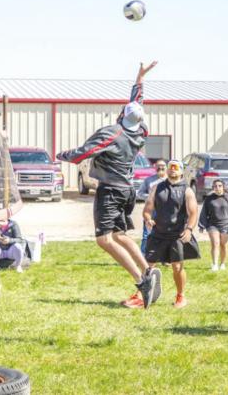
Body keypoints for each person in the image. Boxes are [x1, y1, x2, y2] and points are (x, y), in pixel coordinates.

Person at [56, 61, 161, 309]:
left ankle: (141, 281)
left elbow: (82, 154)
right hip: (126, 189)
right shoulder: (141, 131)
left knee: (104, 240)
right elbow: (137, 104)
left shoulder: (112, 134)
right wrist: (140, 77)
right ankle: (148, 271)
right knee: (119, 235)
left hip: (111, 190)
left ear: (122, 116)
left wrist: (60, 155)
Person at [143, 160, 200, 308]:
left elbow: (193, 212)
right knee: (147, 266)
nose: (172, 170)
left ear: (181, 171)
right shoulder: (157, 188)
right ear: (167, 170)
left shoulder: (187, 190)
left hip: (177, 235)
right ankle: (142, 293)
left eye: (176, 168)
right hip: (158, 233)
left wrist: (189, 230)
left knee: (177, 267)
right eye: (170, 168)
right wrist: (148, 219)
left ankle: (181, 296)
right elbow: (147, 209)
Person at [199, 179, 228, 271]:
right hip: (212, 225)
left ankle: (222, 264)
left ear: (223, 187)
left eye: (219, 186)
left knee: (223, 245)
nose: (217, 188)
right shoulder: (209, 198)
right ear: (213, 188)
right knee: (215, 243)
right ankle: (215, 264)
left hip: (226, 225)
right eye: (215, 186)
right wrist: (202, 225)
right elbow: (204, 212)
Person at [137, 159, 167, 254]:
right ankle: (143, 256)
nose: (160, 168)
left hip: (165, 211)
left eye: (163, 166)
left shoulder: (169, 181)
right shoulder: (149, 180)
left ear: (166, 168)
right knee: (147, 235)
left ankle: (164, 257)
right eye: (158, 166)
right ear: (155, 167)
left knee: (165, 235)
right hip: (151, 211)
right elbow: (140, 193)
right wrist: (150, 197)